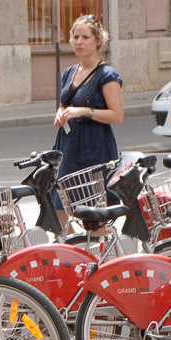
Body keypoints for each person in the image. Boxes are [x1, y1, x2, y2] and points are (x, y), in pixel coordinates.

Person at [51, 15, 125, 227]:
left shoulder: (107, 75)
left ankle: (97, 254)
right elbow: (64, 104)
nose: (79, 42)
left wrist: (84, 111)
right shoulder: (69, 73)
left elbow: (117, 115)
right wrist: (60, 113)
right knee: (61, 204)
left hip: (95, 148)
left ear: (98, 41)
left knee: (94, 212)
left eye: (85, 37)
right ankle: (71, 250)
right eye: (75, 37)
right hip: (68, 147)